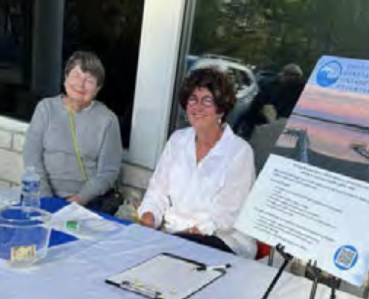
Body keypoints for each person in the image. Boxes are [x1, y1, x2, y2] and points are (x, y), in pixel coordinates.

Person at [138, 67, 256, 258]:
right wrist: (149, 216)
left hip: (221, 241)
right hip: (174, 237)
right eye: (193, 99)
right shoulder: (177, 140)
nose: (197, 107)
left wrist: (185, 235)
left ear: (221, 109)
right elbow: (157, 190)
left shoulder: (239, 152)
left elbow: (227, 214)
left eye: (207, 101)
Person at [23, 51, 122, 210]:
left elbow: (108, 172)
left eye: (89, 80)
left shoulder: (108, 120)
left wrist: (79, 199)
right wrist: (47, 199)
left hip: (87, 202)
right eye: (76, 75)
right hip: (41, 195)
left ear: (97, 88)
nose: (81, 84)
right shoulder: (46, 108)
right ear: (66, 78)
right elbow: (31, 156)